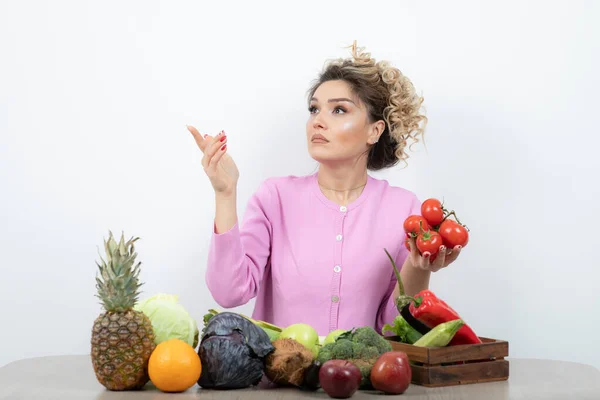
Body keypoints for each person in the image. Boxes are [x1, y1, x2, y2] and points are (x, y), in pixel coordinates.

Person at [187, 42, 462, 336]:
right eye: (314, 109)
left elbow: (393, 326)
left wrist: (420, 267)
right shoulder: (275, 198)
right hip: (282, 380)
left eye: (339, 110)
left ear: (375, 130)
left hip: (361, 379)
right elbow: (230, 292)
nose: (318, 120)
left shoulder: (403, 210)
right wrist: (225, 193)